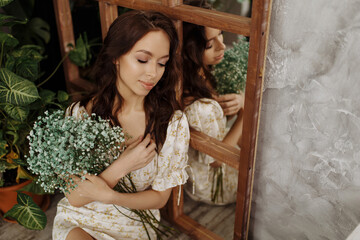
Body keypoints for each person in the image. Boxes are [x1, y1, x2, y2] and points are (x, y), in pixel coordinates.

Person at [52, 10, 189, 240]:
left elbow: (160, 198)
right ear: (115, 56)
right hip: (80, 219)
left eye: (162, 63)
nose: (153, 73)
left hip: (134, 225)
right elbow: (75, 197)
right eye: (142, 60)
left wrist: (110, 196)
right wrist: (121, 167)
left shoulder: (172, 123)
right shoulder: (80, 114)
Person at [182, 0, 244, 205]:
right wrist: (247, 110)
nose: (223, 45)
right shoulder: (198, 107)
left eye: (221, 34)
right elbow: (217, 160)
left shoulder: (204, 70)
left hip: (226, 149)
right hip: (212, 184)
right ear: (189, 51)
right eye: (210, 44)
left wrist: (240, 101)